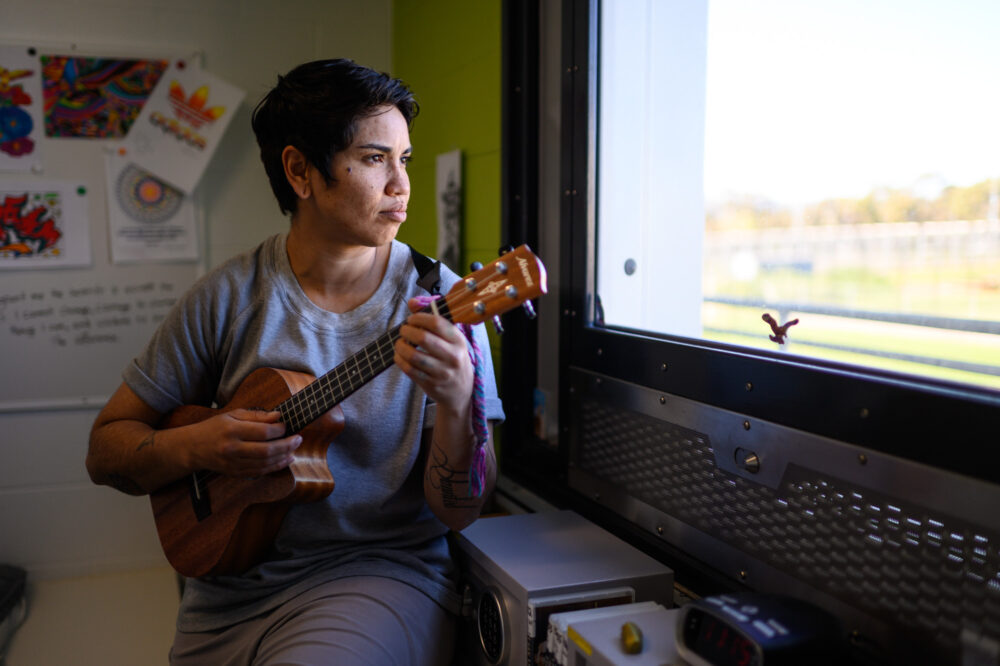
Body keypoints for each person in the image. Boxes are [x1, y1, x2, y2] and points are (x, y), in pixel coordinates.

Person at [86, 58, 504, 665]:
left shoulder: (450, 304)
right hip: (226, 587)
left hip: (377, 576)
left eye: (404, 159)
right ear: (300, 171)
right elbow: (105, 450)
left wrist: (459, 398)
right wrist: (198, 446)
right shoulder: (227, 298)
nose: (400, 185)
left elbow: (462, 510)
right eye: (373, 158)